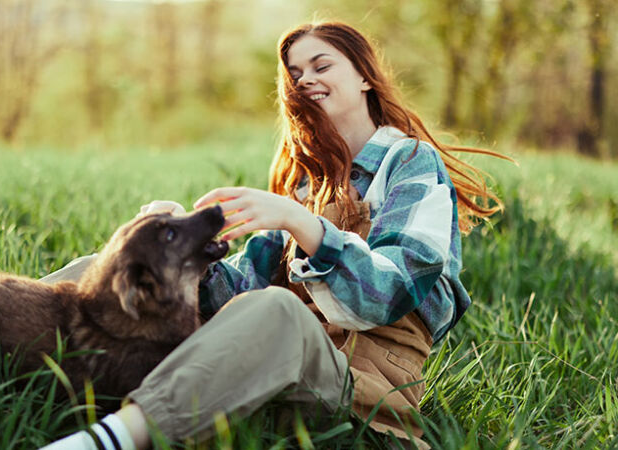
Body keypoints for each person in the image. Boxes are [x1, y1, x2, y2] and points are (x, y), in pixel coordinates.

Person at [40, 21, 505, 450]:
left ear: (365, 77)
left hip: (358, 396)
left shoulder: (411, 165)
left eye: (322, 65)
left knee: (279, 312)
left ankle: (100, 443)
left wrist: (302, 223)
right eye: (296, 74)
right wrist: (178, 250)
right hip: (268, 375)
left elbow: (390, 292)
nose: (305, 80)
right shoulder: (306, 185)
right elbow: (238, 293)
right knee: (105, 269)